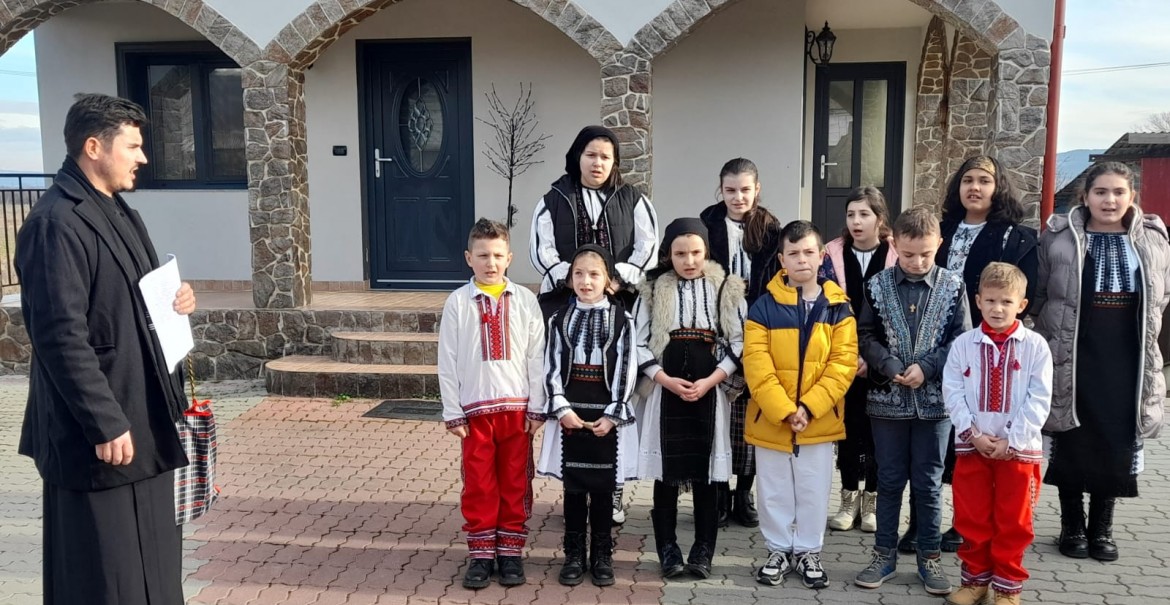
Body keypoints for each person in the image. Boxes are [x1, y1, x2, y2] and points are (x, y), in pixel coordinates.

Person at [15, 93, 198, 605]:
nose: (143, 157)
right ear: (94, 147)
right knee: (104, 572)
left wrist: (177, 298)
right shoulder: (55, 224)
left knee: (154, 565)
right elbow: (59, 335)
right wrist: (104, 421)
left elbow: (133, 298)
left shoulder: (120, 211)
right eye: (133, 146)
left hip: (144, 419)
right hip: (99, 434)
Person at [1032, 162, 1170, 563]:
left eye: (1119, 192)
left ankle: (1102, 528)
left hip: (1125, 355)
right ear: (1085, 196)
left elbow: (1161, 296)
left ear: (1132, 197)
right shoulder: (1058, 237)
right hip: (1073, 351)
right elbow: (1040, 294)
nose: (1110, 200)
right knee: (1072, 436)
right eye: (1101, 192)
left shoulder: (1154, 239)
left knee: (1115, 439)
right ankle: (1072, 526)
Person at [530, 124, 658, 524]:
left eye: (605, 156)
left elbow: (647, 245)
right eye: (590, 155)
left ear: (615, 161)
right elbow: (542, 249)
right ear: (577, 157)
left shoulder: (633, 199)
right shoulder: (554, 198)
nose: (597, 163)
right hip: (567, 305)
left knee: (616, 388)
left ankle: (612, 491)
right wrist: (571, 279)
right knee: (570, 388)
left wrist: (619, 278)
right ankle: (575, 486)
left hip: (617, 303)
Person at [915, 156, 1039, 553]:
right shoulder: (942, 231)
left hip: (988, 350)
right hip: (934, 345)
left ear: (997, 187)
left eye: (984, 181)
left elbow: (1027, 295)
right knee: (931, 440)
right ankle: (921, 523)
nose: (975, 187)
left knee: (971, 439)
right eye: (968, 179)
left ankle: (964, 524)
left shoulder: (1014, 238)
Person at [853, 206, 970, 597]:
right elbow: (865, 334)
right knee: (888, 480)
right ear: (894, 244)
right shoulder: (876, 285)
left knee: (929, 483)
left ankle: (929, 557)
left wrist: (928, 366)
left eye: (926, 254)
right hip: (887, 402)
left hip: (935, 404)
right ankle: (883, 555)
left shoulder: (954, 285)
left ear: (940, 244)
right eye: (908, 254)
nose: (917, 262)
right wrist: (888, 364)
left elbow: (961, 338)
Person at [744, 220, 857, 589]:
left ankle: (808, 551)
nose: (802, 259)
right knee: (773, 490)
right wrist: (784, 410)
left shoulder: (838, 307)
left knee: (813, 489)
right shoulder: (763, 307)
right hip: (772, 420)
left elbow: (842, 365)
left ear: (822, 256)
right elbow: (756, 365)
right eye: (793, 253)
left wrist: (808, 407)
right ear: (782, 259)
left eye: (809, 252)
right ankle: (778, 550)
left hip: (818, 421)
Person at [634, 218, 746, 580]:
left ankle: (703, 549)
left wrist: (712, 380)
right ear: (668, 254)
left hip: (709, 391)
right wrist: (663, 379)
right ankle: (667, 549)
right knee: (666, 474)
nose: (689, 260)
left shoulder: (725, 287)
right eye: (680, 253)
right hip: (665, 390)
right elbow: (638, 341)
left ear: (706, 251)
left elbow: (739, 341)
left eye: (696, 252)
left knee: (707, 475)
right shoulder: (653, 289)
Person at [439, 218, 546, 589]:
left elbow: (537, 357)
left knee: (515, 481)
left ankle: (511, 552)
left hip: (516, 410)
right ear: (469, 258)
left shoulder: (526, 300)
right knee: (480, 483)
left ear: (509, 258)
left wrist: (538, 407)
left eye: (498, 255)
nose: (491, 263)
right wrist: (452, 411)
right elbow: (447, 359)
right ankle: (482, 554)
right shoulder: (458, 302)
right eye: (483, 255)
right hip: (475, 412)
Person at [942, 263, 1053, 605]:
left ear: (1022, 304)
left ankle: (1007, 588)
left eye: (1006, 301)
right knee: (972, 516)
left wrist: (1012, 440)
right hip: (972, 447)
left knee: (1013, 521)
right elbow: (952, 391)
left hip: (1018, 452)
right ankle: (974, 582)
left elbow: (1039, 397)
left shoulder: (1035, 346)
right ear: (978, 301)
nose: (998, 309)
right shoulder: (964, 344)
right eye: (990, 300)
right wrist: (972, 433)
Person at [536, 245, 638, 587]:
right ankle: (574, 554)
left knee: (604, 486)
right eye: (578, 274)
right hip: (573, 409)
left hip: (606, 411)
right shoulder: (559, 319)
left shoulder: (622, 320)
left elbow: (627, 366)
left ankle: (602, 554)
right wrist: (561, 408)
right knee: (575, 485)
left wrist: (614, 413)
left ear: (608, 280)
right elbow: (551, 364)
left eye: (594, 274)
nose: (586, 281)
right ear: (569, 279)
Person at [699, 157, 782, 529]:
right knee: (720, 415)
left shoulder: (771, 229)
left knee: (752, 413)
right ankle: (718, 491)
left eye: (745, 190)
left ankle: (743, 493)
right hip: (717, 327)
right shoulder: (706, 225)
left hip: (759, 327)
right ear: (721, 189)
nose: (738, 197)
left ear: (757, 189)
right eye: (730, 190)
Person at [819, 186, 898, 534]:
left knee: (879, 432)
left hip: (883, 359)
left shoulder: (895, 253)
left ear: (879, 219)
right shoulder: (831, 254)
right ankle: (848, 498)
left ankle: (872, 501)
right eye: (851, 214)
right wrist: (850, 357)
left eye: (864, 214)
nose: (856, 221)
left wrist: (874, 357)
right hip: (842, 359)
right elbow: (826, 307)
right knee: (848, 430)